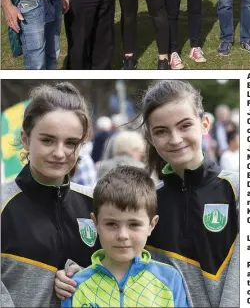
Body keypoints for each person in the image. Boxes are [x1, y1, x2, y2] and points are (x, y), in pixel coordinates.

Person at [56, 80, 239, 307]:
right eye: (161, 131)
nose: (175, 138)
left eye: (185, 126)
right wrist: (73, 275)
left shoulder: (237, 191)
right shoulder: (147, 200)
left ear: (205, 124)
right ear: (150, 137)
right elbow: (116, 259)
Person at [1, 82, 98, 308]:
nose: (59, 153)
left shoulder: (96, 204)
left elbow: (123, 273)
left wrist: (90, 276)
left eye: (71, 143)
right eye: (47, 140)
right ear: (25, 139)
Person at [61, 166, 188, 307]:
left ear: (151, 225)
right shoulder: (76, 285)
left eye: (134, 224)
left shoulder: (170, 280)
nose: (122, 235)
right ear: (95, 223)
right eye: (111, 224)